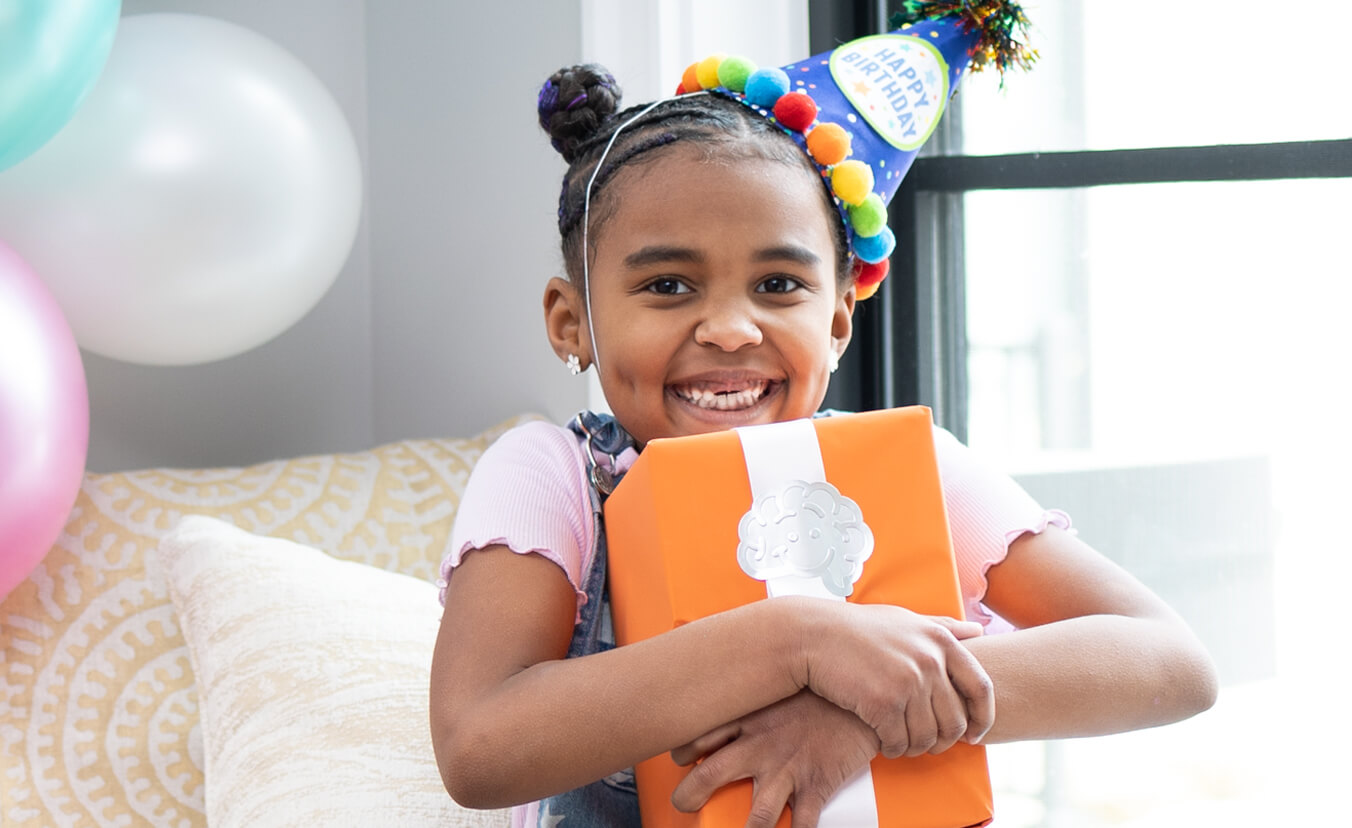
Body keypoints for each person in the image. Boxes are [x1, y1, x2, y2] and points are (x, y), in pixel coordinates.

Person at [427, 7, 1218, 828]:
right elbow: (480, 748)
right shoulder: (553, 477)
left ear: (839, 319)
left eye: (778, 286)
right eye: (667, 286)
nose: (731, 327)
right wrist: (796, 640)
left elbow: (1170, 660)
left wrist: (866, 715)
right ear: (572, 322)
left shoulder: (914, 469)